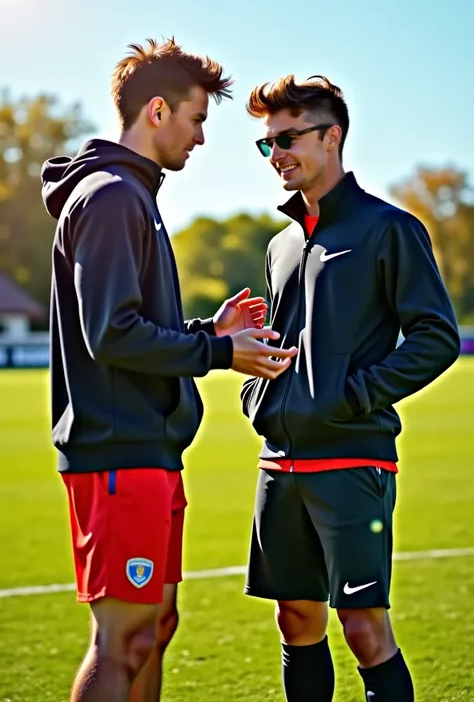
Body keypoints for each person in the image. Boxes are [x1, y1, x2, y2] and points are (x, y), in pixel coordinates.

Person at [40, 38, 298, 702]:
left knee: (154, 627)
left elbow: (129, 324)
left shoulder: (133, 195)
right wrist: (218, 353)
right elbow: (111, 334)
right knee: (123, 639)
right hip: (118, 452)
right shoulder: (110, 196)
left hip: (148, 449)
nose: (202, 138)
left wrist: (209, 333)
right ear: (157, 111)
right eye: (197, 119)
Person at [240, 74, 460, 702]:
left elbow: (435, 336)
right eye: (266, 145)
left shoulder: (390, 228)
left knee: (364, 628)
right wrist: (259, 394)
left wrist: (352, 395)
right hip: (279, 462)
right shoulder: (281, 245)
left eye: (286, 139)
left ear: (331, 136)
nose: (276, 154)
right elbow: (283, 343)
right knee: (295, 619)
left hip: (351, 459)